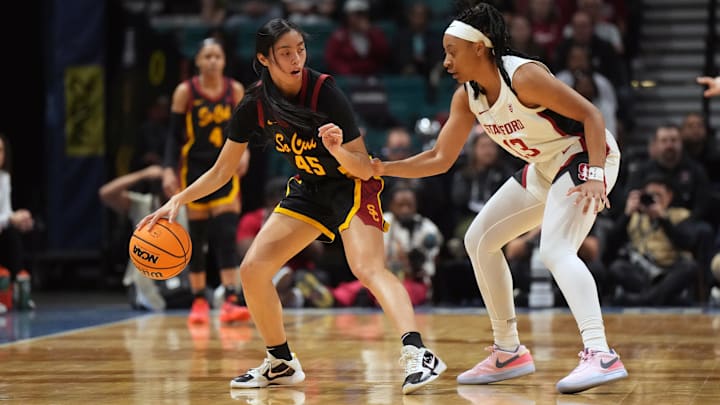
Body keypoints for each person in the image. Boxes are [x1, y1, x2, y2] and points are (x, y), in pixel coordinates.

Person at [139, 18, 446, 394]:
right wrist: (178, 199)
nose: (296, 57)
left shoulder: (325, 93)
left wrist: (337, 150)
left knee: (368, 269)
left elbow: (364, 167)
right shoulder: (254, 103)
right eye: (285, 52)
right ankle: (280, 362)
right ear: (264, 59)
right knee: (252, 270)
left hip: (351, 185)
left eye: (300, 48)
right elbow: (223, 170)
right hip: (310, 188)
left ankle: (418, 353)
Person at [370, 2, 627, 394]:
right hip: (545, 166)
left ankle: (601, 352)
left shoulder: (523, 76)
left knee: (555, 250)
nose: (446, 62)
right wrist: (382, 168)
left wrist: (593, 175)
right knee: (479, 240)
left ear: (479, 47)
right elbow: (439, 159)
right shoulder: (466, 97)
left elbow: (592, 115)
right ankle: (509, 351)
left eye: (451, 51)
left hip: (585, 155)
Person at [162, 37, 250, 325]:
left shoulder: (235, 90)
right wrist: (167, 170)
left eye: (217, 56)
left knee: (225, 234)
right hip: (194, 171)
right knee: (197, 239)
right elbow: (173, 138)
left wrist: (245, 151)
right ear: (197, 61)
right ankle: (198, 299)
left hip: (225, 169)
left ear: (224, 61)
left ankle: (231, 299)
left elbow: (244, 129)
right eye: (207, 56)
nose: (213, 61)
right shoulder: (185, 92)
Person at [0, 133, 35, 313]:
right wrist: (10, 219)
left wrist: (19, 217)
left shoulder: (4, 177)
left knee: (14, 234)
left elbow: (5, 211)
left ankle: (18, 285)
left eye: (1, 151)